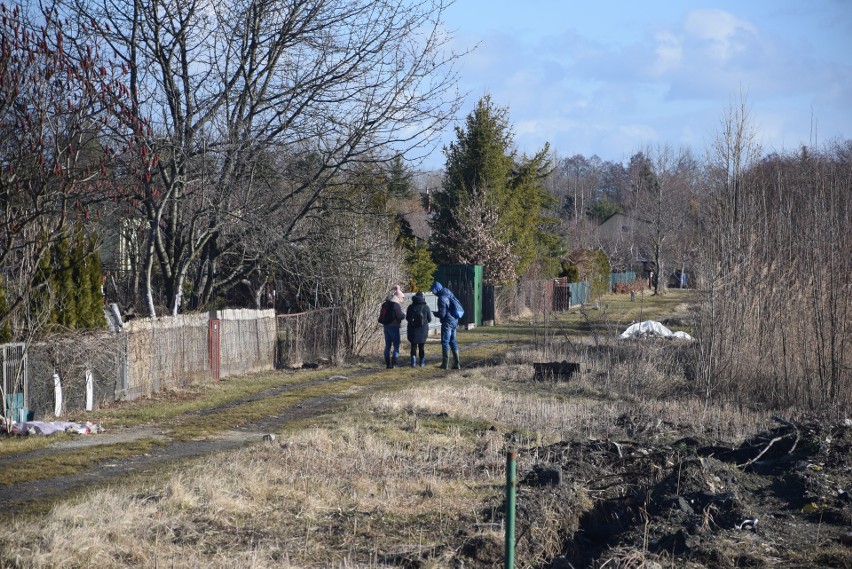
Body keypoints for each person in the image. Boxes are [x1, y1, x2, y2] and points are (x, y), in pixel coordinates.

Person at [429, 281, 460, 370]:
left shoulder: (441, 298)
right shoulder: (449, 293)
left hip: (447, 322)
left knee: (445, 341)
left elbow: (442, 314)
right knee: (453, 341)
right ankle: (457, 364)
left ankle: (445, 364)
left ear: (436, 290)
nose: (433, 293)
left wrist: (436, 314)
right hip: (455, 320)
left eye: (433, 291)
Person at [405, 291, 432, 367]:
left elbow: (407, 318)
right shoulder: (426, 307)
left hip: (412, 329)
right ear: (423, 298)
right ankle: (422, 362)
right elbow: (429, 319)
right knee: (421, 346)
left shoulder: (410, 307)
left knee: (413, 346)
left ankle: (413, 362)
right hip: (423, 330)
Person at [382, 285, 406, 369]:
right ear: (398, 297)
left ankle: (388, 364)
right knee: (396, 345)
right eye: (402, 298)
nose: (402, 300)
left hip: (386, 327)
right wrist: (404, 314)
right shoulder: (396, 305)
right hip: (394, 327)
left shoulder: (385, 304)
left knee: (387, 345)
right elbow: (400, 316)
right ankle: (394, 364)